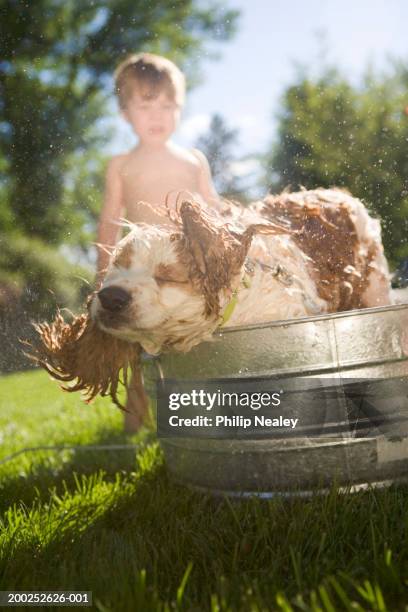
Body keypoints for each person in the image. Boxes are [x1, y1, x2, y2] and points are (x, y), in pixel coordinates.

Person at [96, 52, 220, 433]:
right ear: (124, 112)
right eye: (146, 103)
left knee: (194, 343)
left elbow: (215, 214)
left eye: (169, 105)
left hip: (178, 275)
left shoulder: (193, 160)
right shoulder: (121, 163)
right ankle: (135, 425)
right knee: (134, 351)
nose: (158, 115)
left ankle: (202, 420)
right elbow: (110, 221)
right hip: (136, 271)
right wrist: (103, 273)